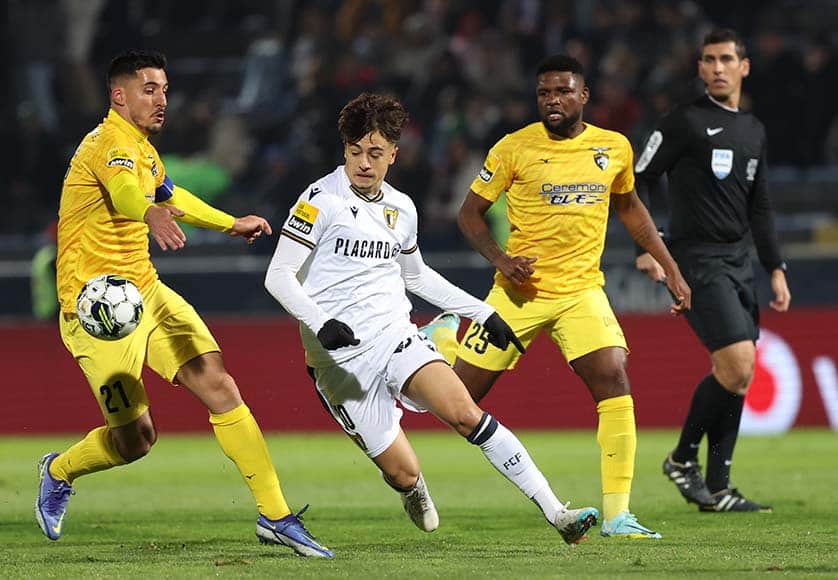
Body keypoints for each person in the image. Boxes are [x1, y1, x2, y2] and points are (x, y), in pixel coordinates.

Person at [264, 92, 599, 546]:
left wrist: (483, 312)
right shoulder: (319, 201)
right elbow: (278, 276)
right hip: (339, 364)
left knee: (466, 415)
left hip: (393, 336)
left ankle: (559, 514)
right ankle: (412, 488)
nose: (364, 163)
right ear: (344, 150)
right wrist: (320, 321)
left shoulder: (401, 208)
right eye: (356, 152)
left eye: (375, 153)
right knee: (403, 472)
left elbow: (416, 276)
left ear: (394, 155)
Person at [37, 50, 332, 558]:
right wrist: (149, 214)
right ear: (119, 95)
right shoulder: (112, 144)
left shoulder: (142, 148)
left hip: (144, 291)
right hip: (99, 313)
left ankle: (276, 516)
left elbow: (172, 195)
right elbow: (131, 194)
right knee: (136, 440)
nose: (161, 99)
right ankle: (59, 470)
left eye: (166, 90)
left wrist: (229, 222)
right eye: (149, 88)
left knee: (219, 383)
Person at [420, 55, 691, 539]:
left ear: (583, 96)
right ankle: (441, 342)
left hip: (582, 291)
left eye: (563, 91)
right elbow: (469, 214)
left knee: (614, 379)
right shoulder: (513, 148)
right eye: (544, 93)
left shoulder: (613, 147)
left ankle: (617, 516)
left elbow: (631, 208)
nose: (552, 100)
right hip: (518, 294)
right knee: (458, 404)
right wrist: (501, 261)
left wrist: (669, 266)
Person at [634, 28, 791, 512]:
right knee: (739, 363)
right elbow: (636, 182)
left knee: (736, 376)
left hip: (740, 261)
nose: (717, 67)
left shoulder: (753, 130)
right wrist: (649, 247)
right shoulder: (682, 122)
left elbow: (760, 206)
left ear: (744, 66)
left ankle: (719, 487)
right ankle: (683, 459)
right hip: (694, 260)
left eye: (726, 59)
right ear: (699, 68)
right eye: (708, 59)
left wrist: (775, 267)